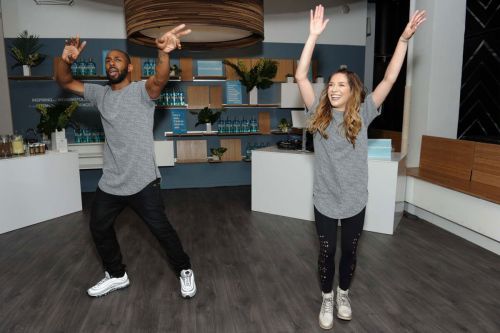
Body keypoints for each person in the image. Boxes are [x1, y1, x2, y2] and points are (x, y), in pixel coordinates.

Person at [295, 5, 426, 330]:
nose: (335, 88)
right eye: (332, 85)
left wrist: (403, 40)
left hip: (355, 199)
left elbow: (391, 77)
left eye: (342, 85)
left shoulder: (365, 113)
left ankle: (343, 293)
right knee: (326, 254)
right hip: (325, 198)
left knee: (349, 254)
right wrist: (312, 37)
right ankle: (327, 296)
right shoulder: (317, 113)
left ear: (353, 91)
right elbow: (300, 75)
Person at [55, 24, 197, 299]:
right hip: (111, 181)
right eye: (108, 60)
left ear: (129, 68)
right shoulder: (100, 94)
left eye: (117, 59)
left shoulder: (141, 92)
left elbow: (159, 79)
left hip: (143, 179)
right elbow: (65, 81)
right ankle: (117, 274)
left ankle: (184, 269)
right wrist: (65, 60)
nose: (111, 63)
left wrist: (164, 54)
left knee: (161, 231)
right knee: (98, 227)